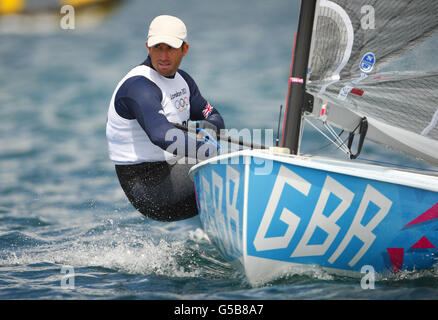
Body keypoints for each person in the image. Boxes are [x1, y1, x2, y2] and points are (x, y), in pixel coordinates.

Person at [106, 15, 225, 222]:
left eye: (170, 48)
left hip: (173, 170)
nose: (163, 55)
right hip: (147, 187)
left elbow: (214, 117)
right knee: (236, 168)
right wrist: (210, 152)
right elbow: (161, 135)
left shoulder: (184, 81)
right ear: (147, 47)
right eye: (157, 48)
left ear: (184, 49)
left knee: (236, 164)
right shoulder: (139, 86)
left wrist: (209, 129)